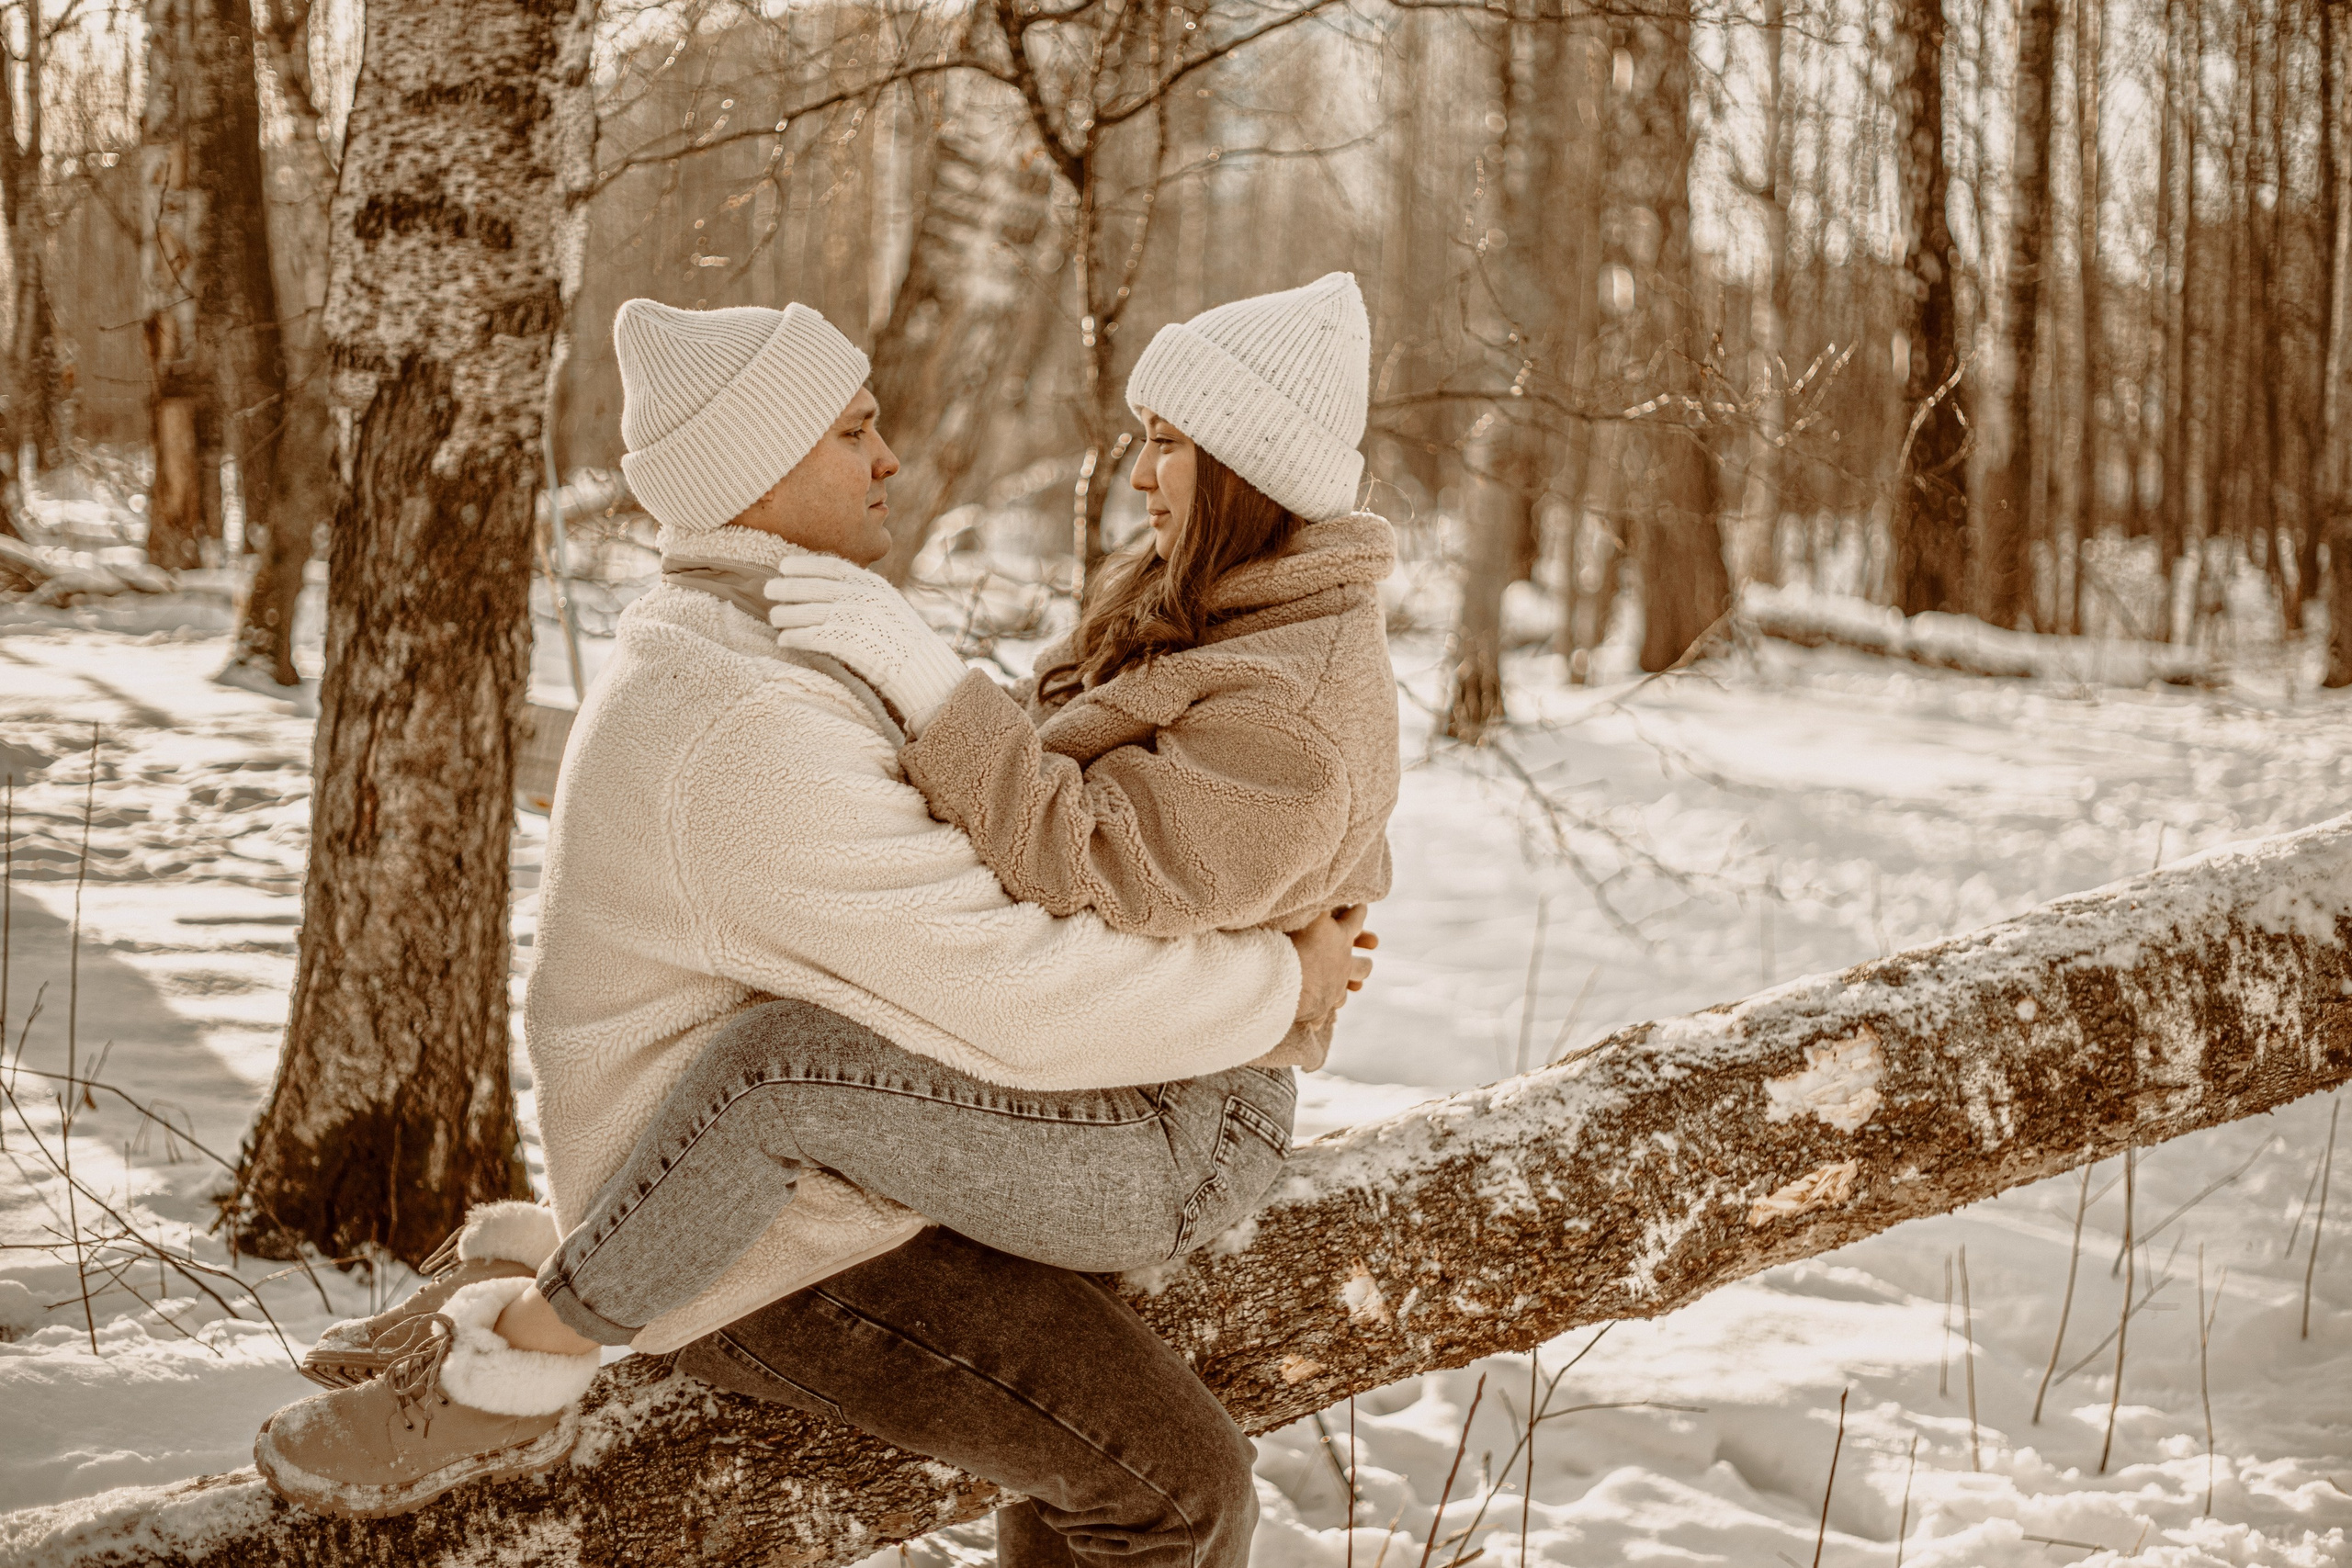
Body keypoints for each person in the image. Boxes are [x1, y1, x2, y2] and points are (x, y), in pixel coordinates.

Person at [252, 281, 1387, 1562]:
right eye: (853, 431)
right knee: (1169, 1479)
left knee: (1146, 1460)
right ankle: (513, 1363)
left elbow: (1005, 883)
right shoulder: (748, 712)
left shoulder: (748, 649)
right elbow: (1005, 980)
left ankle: (541, 1304)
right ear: (756, 477)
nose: (891, 455)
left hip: (796, 1193)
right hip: (760, 1244)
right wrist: (1281, 984)